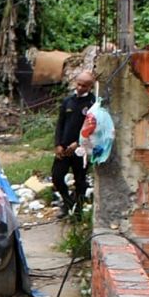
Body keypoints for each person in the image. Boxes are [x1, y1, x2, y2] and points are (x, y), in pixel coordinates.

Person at [51, 69, 95, 219]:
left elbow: (93, 128)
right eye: (78, 84)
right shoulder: (68, 101)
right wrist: (58, 144)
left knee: (80, 181)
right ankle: (68, 203)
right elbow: (60, 124)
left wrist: (78, 143)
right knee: (57, 177)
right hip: (64, 148)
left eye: (84, 85)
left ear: (90, 87)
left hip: (81, 149)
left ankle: (78, 211)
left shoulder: (92, 104)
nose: (80, 87)